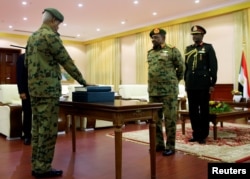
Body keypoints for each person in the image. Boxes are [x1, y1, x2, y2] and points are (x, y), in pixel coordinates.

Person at [25, 8, 90, 178]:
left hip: (35, 90)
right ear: (53, 20)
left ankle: (36, 164)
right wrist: (83, 81)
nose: (58, 28)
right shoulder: (51, 36)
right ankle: (43, 168)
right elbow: (66, 61)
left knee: (38, 129)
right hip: (48, 91)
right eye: (58, 24)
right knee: (48, 131)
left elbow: (26, 63)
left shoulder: (31, 38)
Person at [147, 28, 184, 156]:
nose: (153, 39)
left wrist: (173, 82)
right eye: (152, 37)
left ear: (163, 37)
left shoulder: (172, 50)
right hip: (153, 92)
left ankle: (170, 146)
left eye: (156, 37)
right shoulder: (150, 53)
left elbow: (181, 69)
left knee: (170, 119)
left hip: (169, 92)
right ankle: (159, 144)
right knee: (155, 120)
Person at [184, 25, 218, 144]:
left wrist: (212, 83)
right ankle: (196, 133)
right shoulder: (188, 49)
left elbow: (213, 66)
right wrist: (185, 82)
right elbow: (186, 67)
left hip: (204, 84)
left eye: (197, 34)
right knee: (193, 111)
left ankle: (203, 135)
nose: (194, 36)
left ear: (202, 35)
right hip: (191, 84)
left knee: (204, 110)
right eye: (193, 34)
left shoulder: (208, 48)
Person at [16, 53, 32, 145]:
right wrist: (21, 91)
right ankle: (27, 136)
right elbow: (19, 76)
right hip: (26, 91)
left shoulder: (40, 56)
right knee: (27, 113)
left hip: (39, 91)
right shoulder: (22, 58)